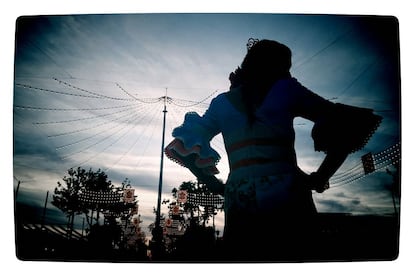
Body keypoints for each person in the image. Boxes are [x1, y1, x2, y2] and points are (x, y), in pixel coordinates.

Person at [165, 38, 382, 261]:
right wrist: (321, 177)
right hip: (288, 191)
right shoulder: (288, 89)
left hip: (240, 195)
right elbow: (346, 123)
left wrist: (212, 182)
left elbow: (186, 143)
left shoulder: (221, 103)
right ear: (279, 65)